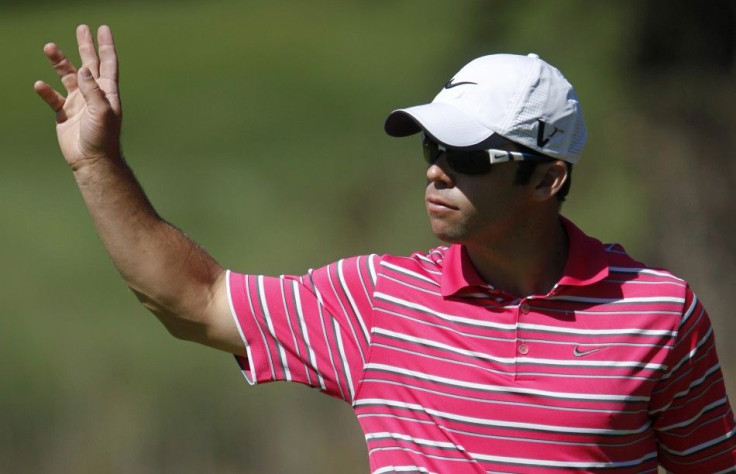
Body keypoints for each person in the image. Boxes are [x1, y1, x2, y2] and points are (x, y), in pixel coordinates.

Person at [35, 24, 736, 474]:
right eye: (433, 145)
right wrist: (97, 166)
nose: (435, 168)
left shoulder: (659, 312)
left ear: (547, 178)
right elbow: (194, 299)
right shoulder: (377, 299)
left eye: (465, 153)